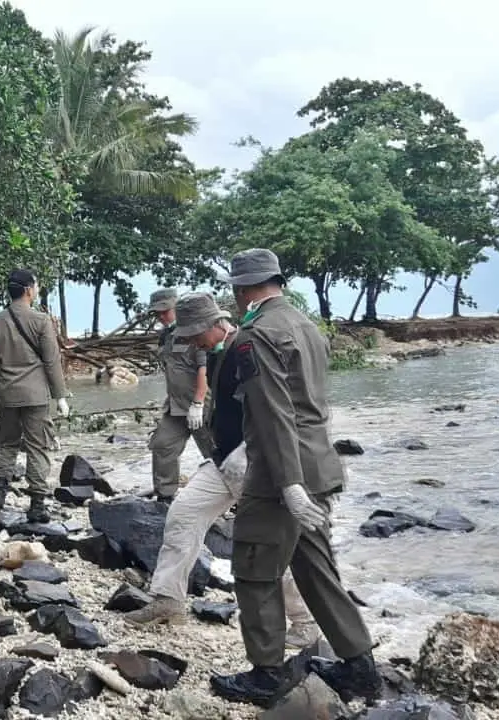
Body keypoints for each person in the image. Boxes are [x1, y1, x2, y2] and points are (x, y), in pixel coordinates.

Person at [209, 249, 381, 707]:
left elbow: (273, 412)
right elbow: (312, 405)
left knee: (255, 567)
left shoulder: (255, 335)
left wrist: (287, 483)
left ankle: (266, 674)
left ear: (241, 289)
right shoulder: (307, 325)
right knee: (315, 566)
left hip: (281, 470)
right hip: (320, 461)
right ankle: (359, 665)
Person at [123, 293, 320, 648]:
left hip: (257, 462)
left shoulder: (249, 350)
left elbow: (279, 410)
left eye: (196, 333)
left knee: (269, 544)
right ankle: (168, 599)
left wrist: (284, 476)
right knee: (183, 514)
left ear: (217, 324)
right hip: (223, 460)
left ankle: (305, 621)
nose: (193, 341)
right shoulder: (215, 353)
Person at [0, 269, 71, 523]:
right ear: (28, 290)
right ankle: (37, 504)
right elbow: (52, 362)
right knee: (38, 447)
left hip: (8, 394)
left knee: (7, 444)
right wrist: (60, 397)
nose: (38, 289)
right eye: (36, 285)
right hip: (36, 396)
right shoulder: (42, 321)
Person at [148, 289, 210, 504]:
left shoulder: (197, 332)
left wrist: (199, 402)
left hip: (202, 405)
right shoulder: (166, 336)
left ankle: (236, 498)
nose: (162, 317)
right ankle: (165, 495)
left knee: (216, 453)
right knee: (162, 444)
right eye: (158, 314)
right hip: (175, 405)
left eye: (166, 311)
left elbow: (204, 368)